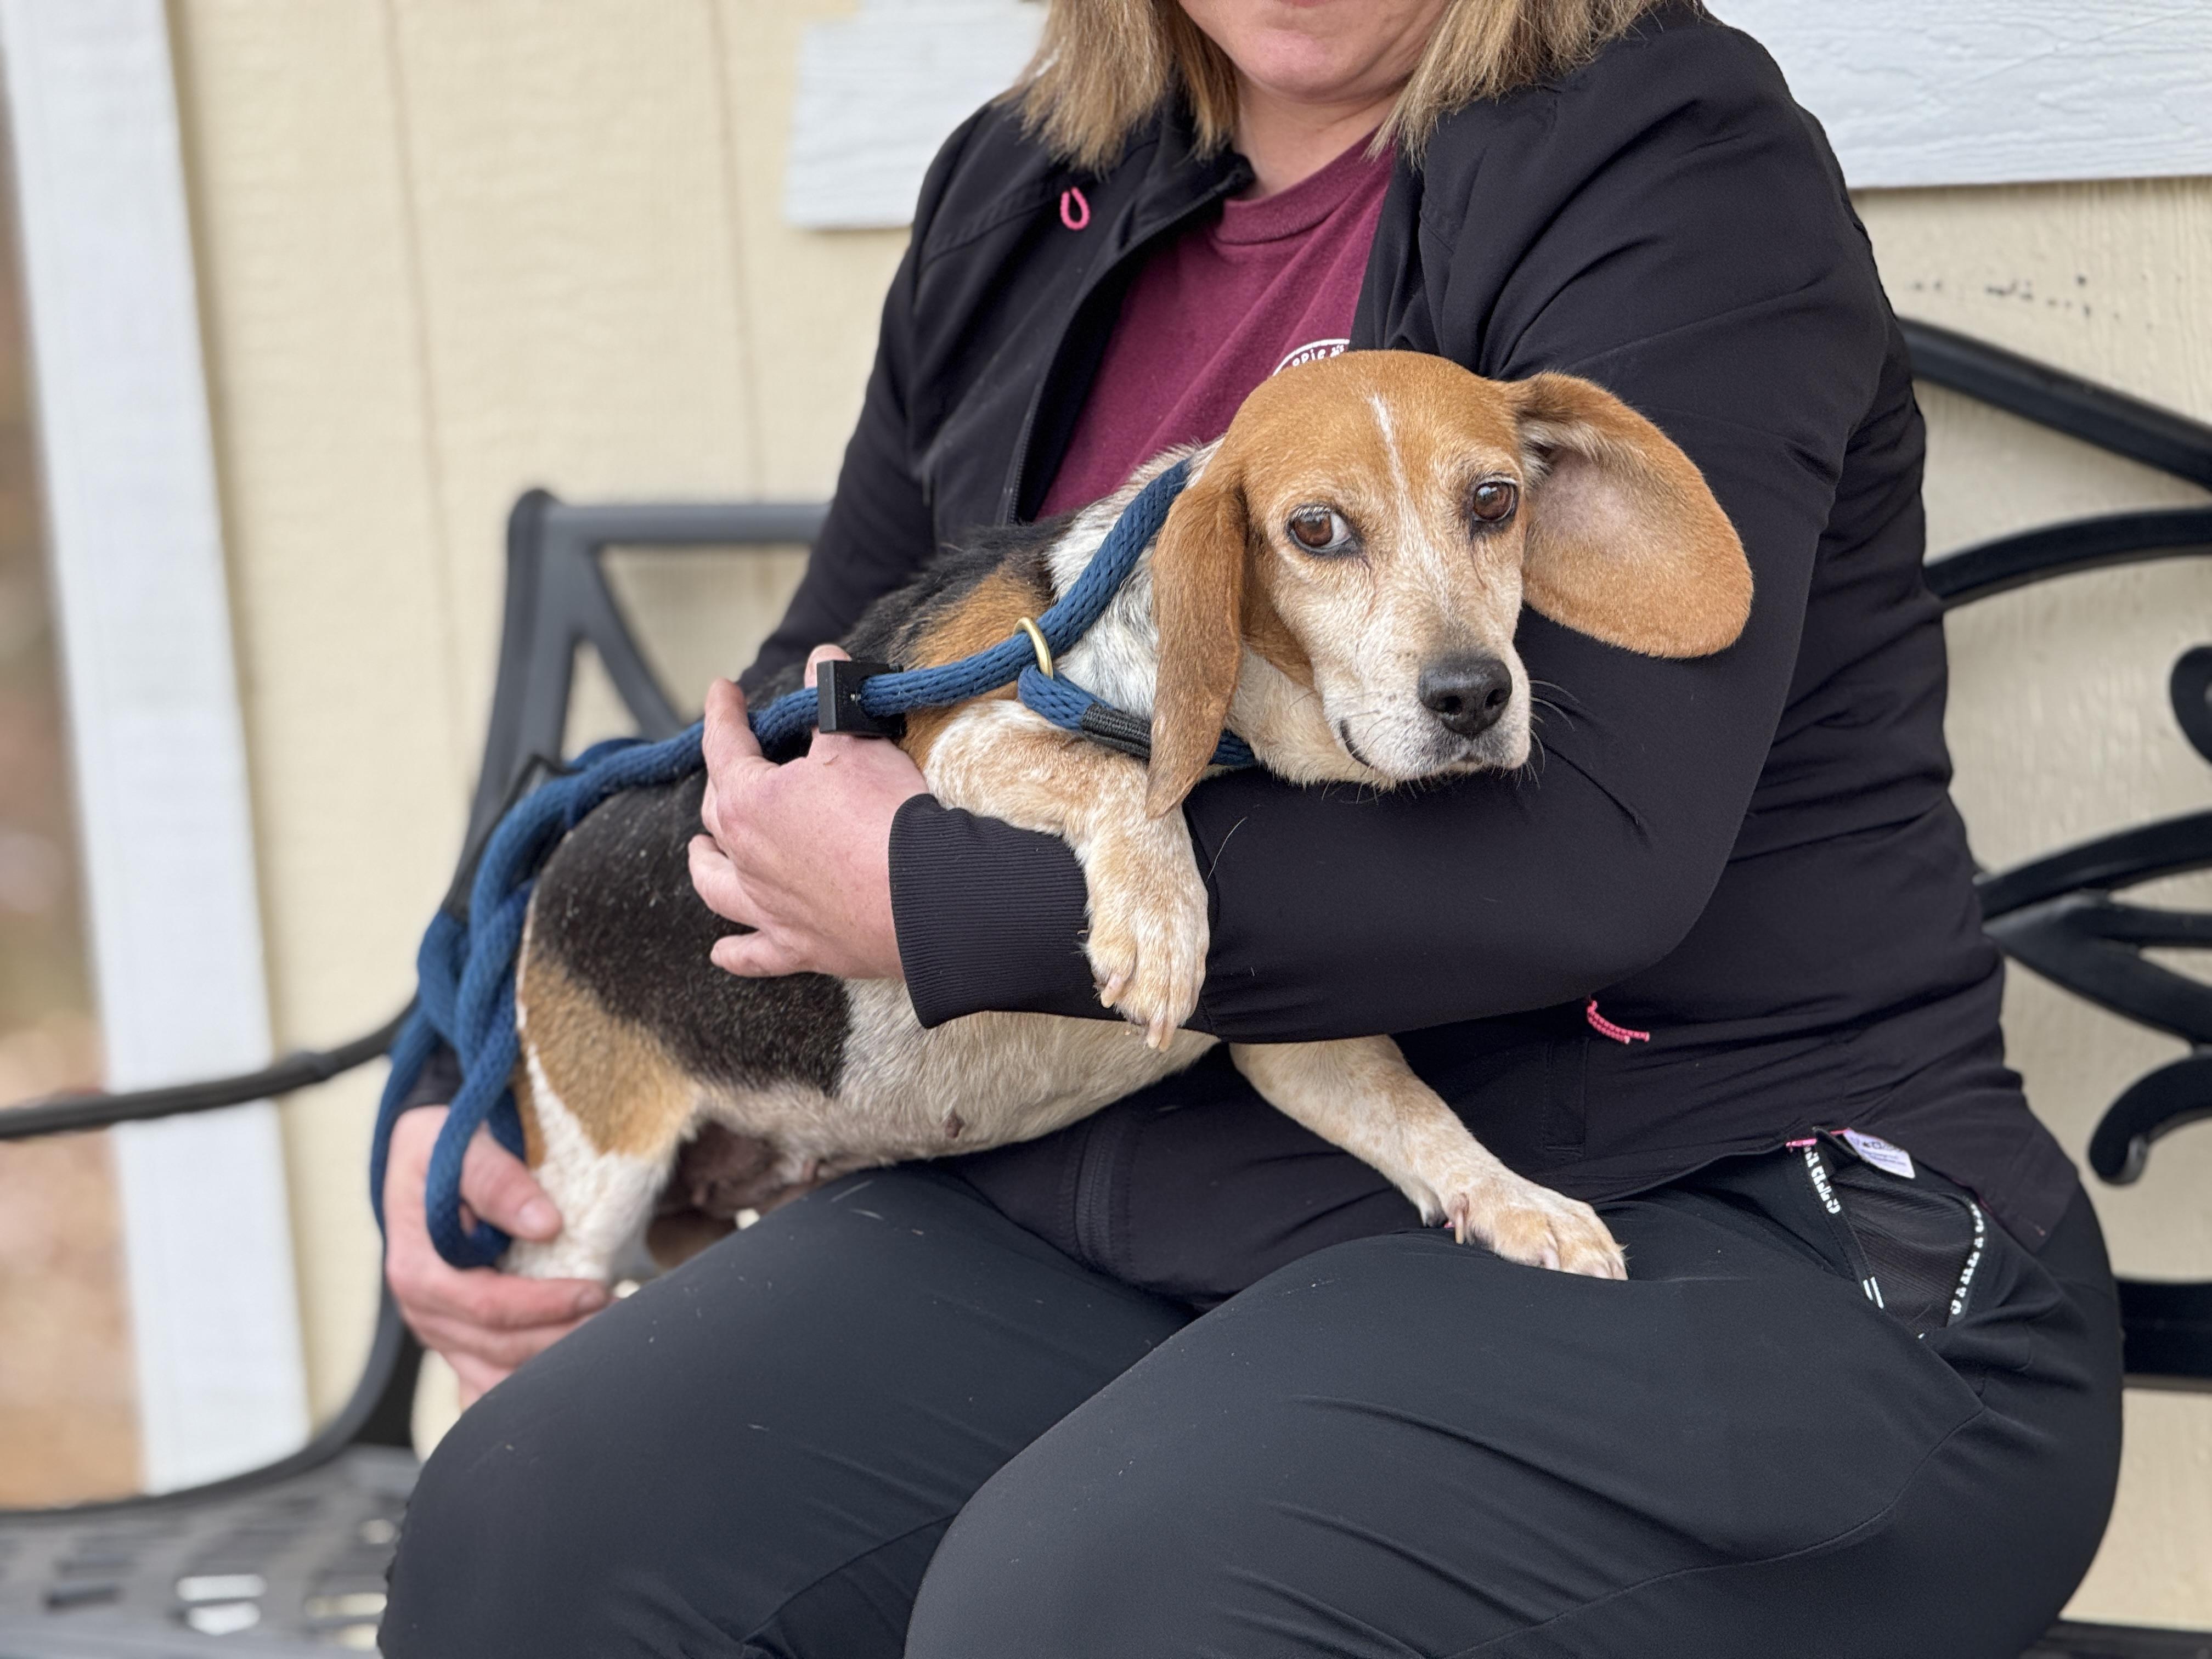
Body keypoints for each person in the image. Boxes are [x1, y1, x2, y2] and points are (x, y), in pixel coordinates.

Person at [379, 1, 2124, 1653]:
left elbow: (1590, 856)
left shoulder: (1668, 157)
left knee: (1089, 1609)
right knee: (534, 1531)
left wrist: (937, 897)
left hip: (1721, 1214)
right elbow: (804, 714)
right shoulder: (1023, 189)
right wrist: (481, 1079)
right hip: (1156, 1202)